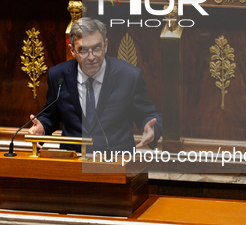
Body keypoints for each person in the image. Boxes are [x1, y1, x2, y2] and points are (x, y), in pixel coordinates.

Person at [27, 18, 162, 153]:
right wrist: (42, 128)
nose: (91, 57)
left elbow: (148, 115)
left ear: (106, 45)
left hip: (116, 162)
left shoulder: (129, 76)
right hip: (73, 161)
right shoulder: (58, 76)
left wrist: (151, 129)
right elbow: (51, 115)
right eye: (83, 50)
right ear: (72, 50)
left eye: (96, 49)